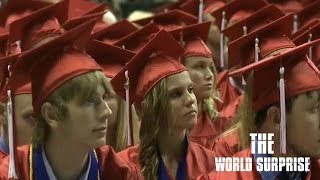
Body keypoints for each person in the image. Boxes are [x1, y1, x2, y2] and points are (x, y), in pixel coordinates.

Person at [0, 20, 141, 179]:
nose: (106, 112)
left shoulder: (120, 173)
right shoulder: (12, 174)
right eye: (90, 101)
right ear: (51, 114)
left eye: (104, 98)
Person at [114, 30, 217, 179]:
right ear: (151, 107)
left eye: (190, 89)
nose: (190, 99)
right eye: (176, 94)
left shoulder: (210, 161)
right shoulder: (124, 166)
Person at [169, 21, 229, 149]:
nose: (210, 75)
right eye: (200, 66)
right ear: (180, 70)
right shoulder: (161, 130)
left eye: (211, 67)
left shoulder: (222, 125)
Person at [87, 40, 140, 152]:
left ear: (123, 103)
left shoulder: (142, 155)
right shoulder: (83, 159)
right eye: (92, 97)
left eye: (106, 96)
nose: (98, 105)